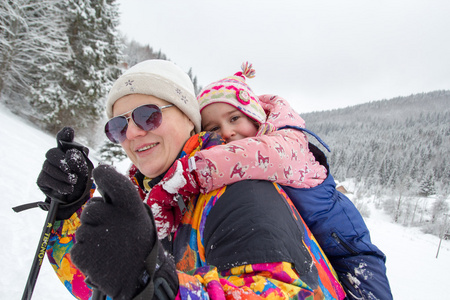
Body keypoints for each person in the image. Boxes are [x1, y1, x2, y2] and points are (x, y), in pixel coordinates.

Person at [36, 59, 346, 300]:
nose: (132, 133)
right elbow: (104, 283)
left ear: (189, 118)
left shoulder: (239, 193)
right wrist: (70, 212)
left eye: (148, 115)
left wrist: (156, 286)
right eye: (118, 126)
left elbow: (283, 291)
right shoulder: (154, 200)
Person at [154, 63, 392, 299]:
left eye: (235, 118)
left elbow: (253, 156)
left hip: (348, 249)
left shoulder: (284, 142)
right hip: (311, 249)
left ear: (256, 117)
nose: (226, 132)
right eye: (214, 127)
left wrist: (189, 174)